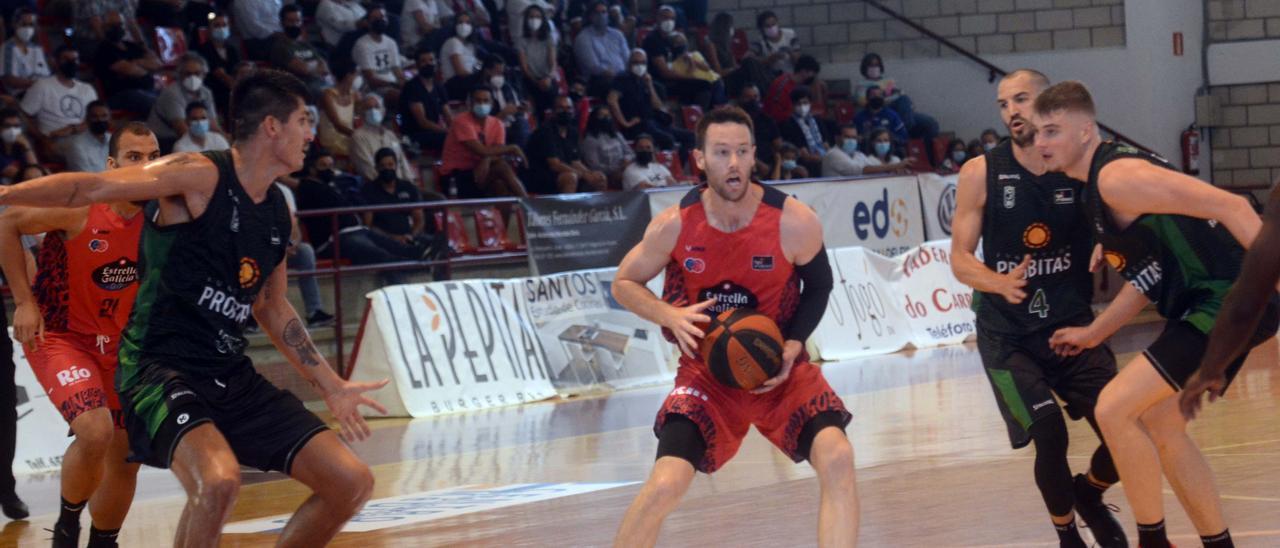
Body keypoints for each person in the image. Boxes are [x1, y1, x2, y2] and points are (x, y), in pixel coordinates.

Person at [0, 69, 388, 548]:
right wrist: (7, 194)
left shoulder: (276, 212)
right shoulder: (199, 173)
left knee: (352, 482)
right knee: (218, 481)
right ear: (272, 126)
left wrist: (331, 385)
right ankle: (69, 524)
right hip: (159, 368)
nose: (313, 133)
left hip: (228, 371)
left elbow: (272, 305)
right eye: (304, 121)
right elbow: (91, 188)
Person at [1032, 80, 1279, 548]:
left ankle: (1152, 541)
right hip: (1211, 302)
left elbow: (1232, 206)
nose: (1040, 143)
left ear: (1086, 131)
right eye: (1037, 134)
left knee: (1114, 408)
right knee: (1161, 425)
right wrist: (1094, 332)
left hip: (1229, 299)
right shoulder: (1095, 190)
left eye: (1052, 131)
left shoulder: (1116, 177)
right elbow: (1146, 282)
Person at [611, 106, 855, 547]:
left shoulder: (793, 220)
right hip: (708, 375)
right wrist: (668, 314)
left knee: (838, 456)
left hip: (779, 368)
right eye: (722, 152)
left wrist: (794, 344)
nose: (735, 163)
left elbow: (820, 286)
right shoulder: (674, 225)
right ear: (700, 159)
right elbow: (624, 283)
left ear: (755, 154)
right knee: (665, 484)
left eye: (743, 151)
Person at [950, 70, 1126, 548]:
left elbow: (1117, 221)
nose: (1012, 112)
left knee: (1124, 425)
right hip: (1007, 337)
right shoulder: (981, 171)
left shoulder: (1079, 166)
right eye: (1003, 104)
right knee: (1050, 434)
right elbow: (959, 259)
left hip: (1072, 327)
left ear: (1047, 104)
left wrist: (1108, 242)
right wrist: (997, 281)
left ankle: (1089, 494)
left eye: (1022, 99)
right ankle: (1067, 535)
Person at [0, 122, 161, 548]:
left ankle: (103, 541)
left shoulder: (165, 215)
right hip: (63, 338)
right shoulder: (81, 204)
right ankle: (68, 526)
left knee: (127, 458)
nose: (145, 167)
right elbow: (8, 222)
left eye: (152, 157)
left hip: (125, 348)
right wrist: (24, 301)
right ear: (112, 165)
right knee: (94, 429)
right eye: (133, 157)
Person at [440, 86, 528, 198]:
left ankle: (519, 211)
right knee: (502, 167)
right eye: (478, 100)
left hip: (481, 172)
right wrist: (512, 148)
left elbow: (496, 153)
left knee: (500, 185)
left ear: (492, 104)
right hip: (454, 177)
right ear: (470, 103)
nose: (481, 104)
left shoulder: (497, 124)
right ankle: (530, 207)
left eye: (485, 101)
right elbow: (481, 151)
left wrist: (487, 159)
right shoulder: (461, 121)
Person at [360, 147, 445, 257]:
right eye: (383, 166)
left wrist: (411, 236)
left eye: (390, 165)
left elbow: (419, 220)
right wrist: (394, 238)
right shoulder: (369, 190)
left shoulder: (408, 187)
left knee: (441, 244)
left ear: (396, 165)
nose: (387, 169)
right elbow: (368, 226)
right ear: (376, 168)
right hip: (384, 240)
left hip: (409, 236)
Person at [20, 46, 98, 161]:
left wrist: (74, 129)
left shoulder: (87, 89)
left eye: (75, 59)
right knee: (79, 148)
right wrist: (42, 138)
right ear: (55, 62)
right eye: (66, 59)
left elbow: (96, 116)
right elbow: (23, 115)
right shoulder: (42, 86)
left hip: (86, 136)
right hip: (57, 140)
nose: (72, 63)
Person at [527, 95, 607, 194]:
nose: (565, 112)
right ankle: (568, 209)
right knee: (570, 177)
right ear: (553, 111)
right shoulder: (545, 131)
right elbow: (555, 165)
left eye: (568, 108)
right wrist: (584, 175)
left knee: (599, 177)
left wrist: (589, 174)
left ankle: (597, 209)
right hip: (541, 176)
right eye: (561, 108)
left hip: (565, 172)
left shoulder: (572, 132)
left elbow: (575, 161)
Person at [92, 11, 161, 115]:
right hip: (122, 94)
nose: (117, 28)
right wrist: (144, 65)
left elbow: (157, 64)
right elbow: (130, 70)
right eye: (112, 25)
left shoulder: (131, 46)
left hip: (146, 90)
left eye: (120, 25)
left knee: (171, 97)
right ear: (104, 27)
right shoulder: (104, 50)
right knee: (159, 106)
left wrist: (136, 62)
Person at [146, 52, 221, 148]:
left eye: (197, 73)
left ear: (204, 75)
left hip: (191, 138)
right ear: (180, 75)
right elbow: (181, 130)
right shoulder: (172, 93)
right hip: (163, 141)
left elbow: (214, 125)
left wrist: (226, 143)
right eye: (188, 74)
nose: (193, 77)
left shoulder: (206, 93)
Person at [350, 94, 415, 182]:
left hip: (401, 186)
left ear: (383, 111)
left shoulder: (390, 135)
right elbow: (367, 169)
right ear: (362, 113)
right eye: (368, 108)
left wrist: (410, 184)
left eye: (377, 107)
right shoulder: (358, 137)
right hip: (379, 188)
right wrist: (389, 186)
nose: (373, 111)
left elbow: (402, 162)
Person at [271, 5, 333, 95]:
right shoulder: (280, 46)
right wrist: (315, 66)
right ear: (282, 23)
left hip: (318, 82)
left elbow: (324, 67)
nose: (295, 24)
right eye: (290, 21)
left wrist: (311, 67)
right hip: (299, 88)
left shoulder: (305, 44)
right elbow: (303, 69)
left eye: (298, 21)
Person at [574, 1, 629, 97]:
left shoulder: (617, 34)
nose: (601, 15)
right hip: (599, 79)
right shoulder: (583, 37)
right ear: (590, 16)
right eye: (597, 12)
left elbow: (627, 58)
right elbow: (592, 66)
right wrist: (613, 74)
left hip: (622, 76)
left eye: (604, 12)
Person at [400, 48, 451, 151]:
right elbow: (422, 122)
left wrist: (456, 129)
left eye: (431, 60)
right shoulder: (412, 87)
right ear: (417, 65)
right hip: (416, 134)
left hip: (435, 131)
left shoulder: (438, 86)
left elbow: (448, 114)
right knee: (449, 139)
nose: (428, 64)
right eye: (424, 61)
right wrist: (446, 131)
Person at [353, 4, 404, 104]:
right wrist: (394, 84)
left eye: (382, 17)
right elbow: (371, 79)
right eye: (375, 18)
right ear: (367, 22)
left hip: (392, 84)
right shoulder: (362, 44)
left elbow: (397, 70)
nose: (380, 20)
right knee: (403, 97)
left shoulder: (391, 42)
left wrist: (405, 83)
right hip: (374, 90)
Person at [514, 5, 560, 115]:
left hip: (547, 77)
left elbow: (553, 63)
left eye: (538, 17)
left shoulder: (549, 38)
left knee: (551, 92)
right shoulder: (521, 40)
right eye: (531, 16)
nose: (534, 20)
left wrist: (548, 77)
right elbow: (524, 67)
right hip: (531, 79)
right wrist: (536, 81)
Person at [197, 12, 244, 118]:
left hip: (232, 87)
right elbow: (220, 74)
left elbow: (239, 69)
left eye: (224, 25)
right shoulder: (205, 49)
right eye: (217, 25)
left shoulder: (232, 49)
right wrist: (238, 88)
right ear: (209, 29)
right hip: (215, 90)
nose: (221, 28)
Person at [778, 86, 829, 178]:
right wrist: (824, 158)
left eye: (805, 103)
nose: (802, 107)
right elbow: (804, 155)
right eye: (798, 104)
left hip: (823, 158)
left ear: (810, 103)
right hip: (804, 162)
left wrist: (827, 156)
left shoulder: (817, 120)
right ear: (793, 105)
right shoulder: (788, 124)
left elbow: (825, 144)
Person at [581, 104, 635, 187]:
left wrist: (626, 160)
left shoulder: (616, 134)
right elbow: (594, 166)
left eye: (608, 115)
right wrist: (618, 168)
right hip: (608, 174)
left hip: (625, 168)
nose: (606, 118)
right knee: (628, 176)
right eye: (602, 115)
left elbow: (630, 152)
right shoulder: (590, 140)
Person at [822, 125, 907, 177]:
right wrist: (897, 165)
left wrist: (896, 170)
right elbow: (862, 171)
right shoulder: (833, 154)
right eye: (847, 137)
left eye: (854, 137)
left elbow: (873, 169)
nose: (851, 140)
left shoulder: (859, 155)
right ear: (837, 138)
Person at [0, 8, 50, 98]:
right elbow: (9, 79)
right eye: (24, 24)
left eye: (31, 25)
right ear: (14, 24)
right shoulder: (7, 48)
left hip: (42, 93)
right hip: (20, 95)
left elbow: (47, 74)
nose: (27, 29)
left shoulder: (37, 48)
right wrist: (36, 84)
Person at [318, 59, 362, 158]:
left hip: (348, 140)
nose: (357, 78)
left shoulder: (354, 95)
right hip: (330, 144)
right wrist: (360, 137)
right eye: (355, 74)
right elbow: (337, 125)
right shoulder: (328, 95)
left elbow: (359, 118)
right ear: (348, 76)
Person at [440, 12, 483, 100]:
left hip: (468, 80)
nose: (464, 25)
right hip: (455, 83)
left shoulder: (470, 45)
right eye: (460, 22)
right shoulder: (453, 42)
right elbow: (460, 71)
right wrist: (480, 76)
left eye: (467, 23)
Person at [63, 101, 112, 173]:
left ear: (110, 118)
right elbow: (86, 178)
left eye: (104, 116)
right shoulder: (76, 145)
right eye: (95, 117)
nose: (100, 120)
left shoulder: (114, 139)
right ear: (87, 119)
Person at [0, 109, 39, 184]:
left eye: (16, 126)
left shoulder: (19, 146)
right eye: (7, 126)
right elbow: (16, 173)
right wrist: (35, 173)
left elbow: (35, 167)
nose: (12, 130)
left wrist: (27, 146)